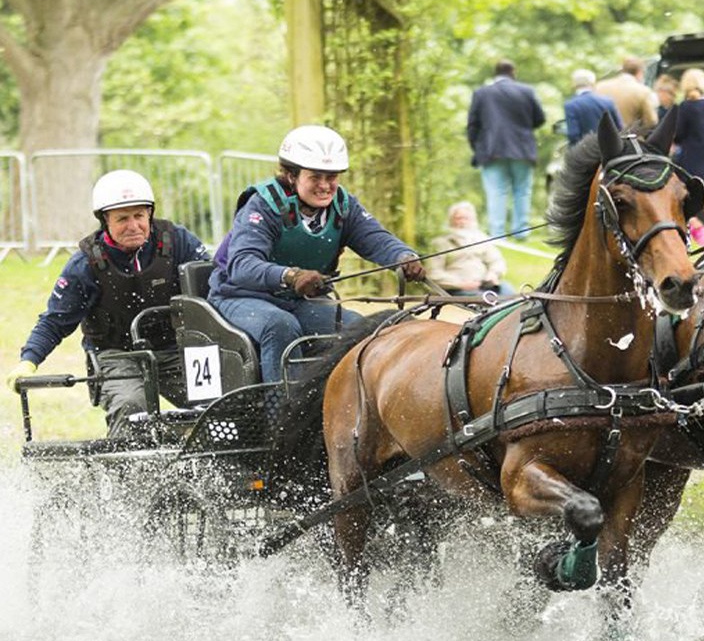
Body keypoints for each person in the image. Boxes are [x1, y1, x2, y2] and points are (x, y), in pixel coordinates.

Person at [207, 125, 425, 384]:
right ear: (291, 175)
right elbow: (243, 265)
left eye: (332, 177)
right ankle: (283, 417)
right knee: (280, 326)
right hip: (239, 297)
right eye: (315, 177)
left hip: (297, 302)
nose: (325, 186)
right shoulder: (262, 205)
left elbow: (375, 239)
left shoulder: (344, 206)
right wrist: (291, 276)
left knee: (361, 329)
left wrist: (403, 257)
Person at [4, 170, 210, 437]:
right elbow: (55, 321)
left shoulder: (179, 242)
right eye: (122, 219)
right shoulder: (85, 264)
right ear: (105, 221)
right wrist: (28, 360)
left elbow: (212, 291)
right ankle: (124, 476)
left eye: (139, 216)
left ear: (150, 214)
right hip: (117, 355)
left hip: (177, 350)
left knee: (217, 404)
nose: (133, 225)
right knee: (132, 408)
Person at [467, 59, 547, 239]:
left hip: (491, 149)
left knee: (496, 192)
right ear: (513, 72)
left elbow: (472, 125)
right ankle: (521, 232)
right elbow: (540, 119)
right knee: (522, 191)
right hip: (522, 149)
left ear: (495, 73)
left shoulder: (481, 93)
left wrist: (478, 147)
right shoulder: (526, 91)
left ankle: (498, 235)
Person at [427, 201, 515, 297]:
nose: (462, 222)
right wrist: (460, 284)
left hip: (484, 284)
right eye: (458, 218)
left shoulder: (482, 239)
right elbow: (433, 273)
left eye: (466, 218)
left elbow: (496, 261)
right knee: (488, 299)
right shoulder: (440, 243)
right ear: (451, 220)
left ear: (473, 220)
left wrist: (493, 274)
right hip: (456, 289)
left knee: (510, 293)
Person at [595, 57, 658, 129]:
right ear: (639, 72)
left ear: (622, 70)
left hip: (598, 137)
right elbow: (651, 121)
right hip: (627, 137)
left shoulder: (600, 86)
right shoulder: (643, 91)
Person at [563, 69, 622, 146]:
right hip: (609, 149)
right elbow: (619, 127)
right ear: (593, 83)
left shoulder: (570, 105)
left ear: (574, 84)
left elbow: (573, 135)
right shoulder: (608, 101)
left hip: (585, 151)